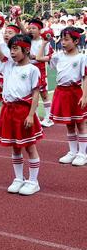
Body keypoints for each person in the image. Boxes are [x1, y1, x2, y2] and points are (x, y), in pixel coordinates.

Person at [0, 30, 43, 195]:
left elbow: (35, 93)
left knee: (29, 147)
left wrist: (30, 115)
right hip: (8, 110)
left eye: (15, 48)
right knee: (14, 147)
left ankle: (33, 181)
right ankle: (18, 178)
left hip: (23, 111)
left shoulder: (33, 70)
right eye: (11, 48)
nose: (12, 52)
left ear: (26, 50)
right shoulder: (7, 64)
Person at [39, 27, 87, 166]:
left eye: (66, 39)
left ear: (76, 41)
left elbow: (85, 77)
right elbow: (38, 58)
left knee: (81, 124)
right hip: (62, 92)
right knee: (69, 124)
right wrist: (43, 42)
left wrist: (84, 96)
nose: (63, 42)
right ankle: (72, 152)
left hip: (76, 92)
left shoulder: (82, 57)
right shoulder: (58, 56)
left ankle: (82, 154)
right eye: (62, 39)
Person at [27, 18, 54, 127]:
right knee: (32, 94)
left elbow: (49, 56)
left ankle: (48, 118)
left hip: (40, 68)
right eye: (30, 28)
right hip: (29, 68)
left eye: (34, 28)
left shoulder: (44, 42)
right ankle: (36, 117)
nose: (31, 30)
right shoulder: (28, 40)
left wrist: (37, 57)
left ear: (40, 30)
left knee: (43, 93)